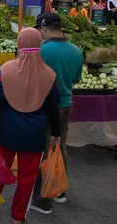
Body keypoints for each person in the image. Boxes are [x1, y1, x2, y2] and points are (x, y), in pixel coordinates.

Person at [0, 28, 61, 223]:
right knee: (27, 179)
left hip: (7, 131)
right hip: (35, 135)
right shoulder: (50, 75)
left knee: (0, 170)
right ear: (39, 44)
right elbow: (53, 108)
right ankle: (18, 217)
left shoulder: (6, 70)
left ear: (19, 44)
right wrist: (56, 134)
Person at [31, 12, 83, 213]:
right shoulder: (76, 51)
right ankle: (60, 191)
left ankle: (43, 198)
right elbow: (77, 79)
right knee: (61, 146)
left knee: (43, 148)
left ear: (44, 29)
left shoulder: (41, 51)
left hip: (44, 106)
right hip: (66, 103)